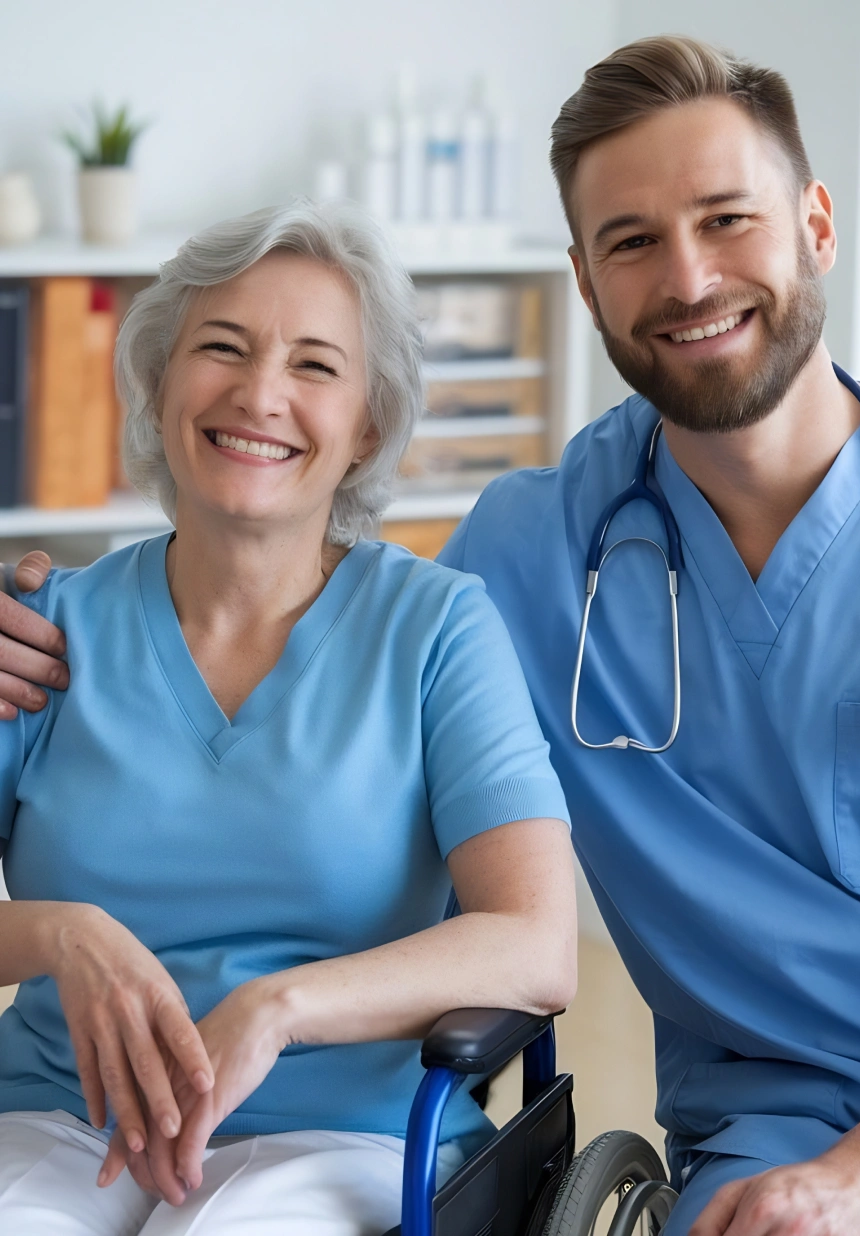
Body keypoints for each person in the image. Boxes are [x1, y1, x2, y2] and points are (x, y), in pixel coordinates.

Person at [6, 34, 860, 1236]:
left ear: (815, 223)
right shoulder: (538, 548)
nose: (689, 279)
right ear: (585, 283)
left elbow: (524, 937)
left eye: (725, 219)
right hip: (776, 1136)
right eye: (633, 241)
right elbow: (311, 611)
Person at [0, 201, 576, 1236]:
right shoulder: (40, 630)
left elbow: (536, 944)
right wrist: (58, 933)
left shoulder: (438, 629)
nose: (260, 394)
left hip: (344, 1134)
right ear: (158, 382)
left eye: (315, 366)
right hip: (60, 1121)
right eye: (221, 348)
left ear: (365, 424)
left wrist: (280, 1007)